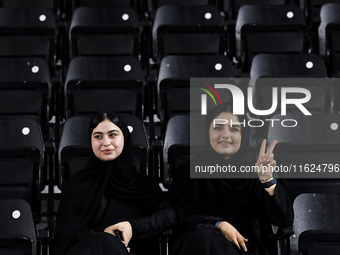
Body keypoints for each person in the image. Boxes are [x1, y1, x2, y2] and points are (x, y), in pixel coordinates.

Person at [171, 105, 294, 255]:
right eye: (218, 128)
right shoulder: (187, 172)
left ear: (244, 135)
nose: (225, 135)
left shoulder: (257, 169)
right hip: (202, 246)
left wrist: (267, 179)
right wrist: (218, 224)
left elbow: (285, 221)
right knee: (204, 236)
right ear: (207, 132)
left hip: (247, 249)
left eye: (234, 129)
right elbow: (181, 218)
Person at [53, 112, 177, 255]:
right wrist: (109, 239)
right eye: (98, 136)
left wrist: (133, 227)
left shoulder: (142, 184)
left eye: (113, 135)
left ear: (124, 138)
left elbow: (171, 214)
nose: (106, 142)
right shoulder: (77, 184)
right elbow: (66, 239)